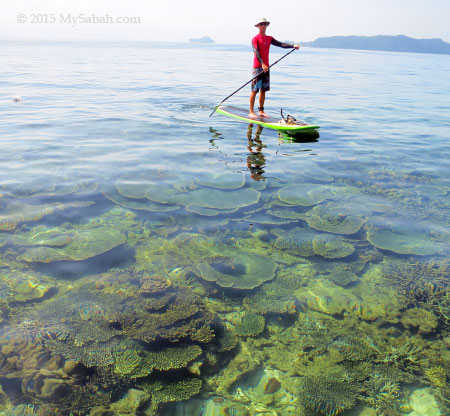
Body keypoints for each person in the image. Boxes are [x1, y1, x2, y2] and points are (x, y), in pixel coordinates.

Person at [249, 18, 300, 119]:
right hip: (258, 67)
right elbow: (256, 52)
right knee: (255, 90)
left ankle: (261, 111)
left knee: (263, 90)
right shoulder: (255, 39)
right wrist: (262, 64)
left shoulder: (269, 38)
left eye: (265, 24)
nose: (263, 26)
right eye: (261, 24)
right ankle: (251, 111)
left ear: (266, 26)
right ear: (258, 26)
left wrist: (292, 45)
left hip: (266, 68)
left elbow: (281, 44)